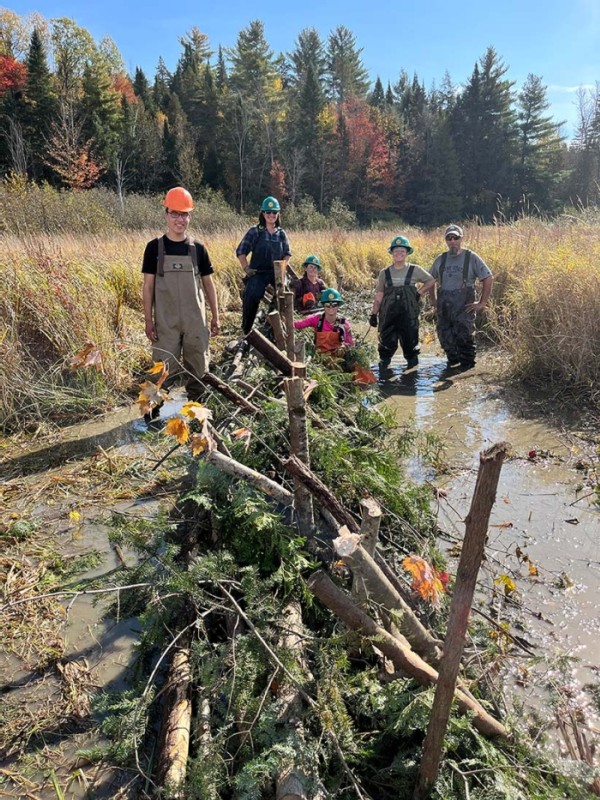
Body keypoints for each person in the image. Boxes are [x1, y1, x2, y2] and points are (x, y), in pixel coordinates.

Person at [142, 187, 220, 418]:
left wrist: (215, 317)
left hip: (195, 321)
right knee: (161, 370)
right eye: (174, 213)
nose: (179, 219)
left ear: (190, 216)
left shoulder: (198, 249)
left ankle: (197, 418)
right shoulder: (154, 248)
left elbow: (209, 285)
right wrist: (149, 320)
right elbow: (147, 287)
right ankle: (151, 416)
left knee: (198, 369)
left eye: (184, 214)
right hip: (166, 323)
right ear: (166, 214)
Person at [369, 235, 435, 376]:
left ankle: (411, 376)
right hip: (388, 316)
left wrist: (419, 292)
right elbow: (379, 295)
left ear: (407, 253)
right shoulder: (384, 273)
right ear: (391, 253)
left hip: (408, 315)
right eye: (396, 251)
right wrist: (374, 314)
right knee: (386, 344)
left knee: (410, 345)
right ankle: (384, 372)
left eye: (402, 251)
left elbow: (431, 280)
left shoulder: (415, 269)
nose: (399, 254)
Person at [429, 224, 493, 370]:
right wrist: (433, 300)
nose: (452, 241)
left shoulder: (471, 257)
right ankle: (451, 366)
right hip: (444, 307)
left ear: (461, 238)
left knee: (464, 337)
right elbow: (430, 281)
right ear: (445, 240)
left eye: (455, 238)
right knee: (445, 337)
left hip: (464, 306)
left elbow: (488, 278)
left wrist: (482, 302)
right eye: (449, 238)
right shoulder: (441, 259)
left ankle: (467, 369)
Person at [236, 196, 291, 334]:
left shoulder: (281, 233)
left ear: (278, 214)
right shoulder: (255, 231)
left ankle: (277, 327)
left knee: (284, 295)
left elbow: (287, 253)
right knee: (252, 295)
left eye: (274, 212)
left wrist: (282, 269)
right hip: (258, 272)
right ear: (263, 213)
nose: (271, 215)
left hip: (276, 273)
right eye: (268, 212)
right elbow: (241, 251)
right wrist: (246, 268)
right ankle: (246, 330)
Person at [293, 287, 353, 356]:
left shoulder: (344, 323)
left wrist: (344, 347)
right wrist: (286, 322)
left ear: (338, 306)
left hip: (338, 361)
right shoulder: (316, 319)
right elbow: (299, 324)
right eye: (327, 305)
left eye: (334, 305)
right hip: (320, 358)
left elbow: (350, 344)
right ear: (323, 306)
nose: (331, 307)